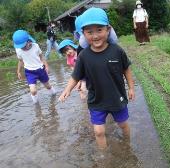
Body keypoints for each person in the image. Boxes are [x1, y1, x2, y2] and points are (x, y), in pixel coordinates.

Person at [59, 7, 135, 150]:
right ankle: (104, 157)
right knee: (98, 131)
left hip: (116, 98)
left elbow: (127, 70)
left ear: (108, 29)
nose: (95, 36)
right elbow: (76, 76)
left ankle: (127, 145)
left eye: (99, 30)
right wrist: (67, 89)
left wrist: (131, 88)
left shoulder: (117, 51)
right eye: (89, 32)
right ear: (83, 34)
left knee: (123, 125)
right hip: (96, 100)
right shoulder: (83, 56)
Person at [12, 30, 56, 104]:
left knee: (48, 86)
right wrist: (18, 71)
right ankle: (36, 106)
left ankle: (55, 96)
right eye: (20, 46)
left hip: (40, 69)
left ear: (28, 41)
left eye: (22, 46)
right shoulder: (18, 50)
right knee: (33, 90)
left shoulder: (35, 46)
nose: (21, 48)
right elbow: (20, 61)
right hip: (29, 72)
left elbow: (42, 57)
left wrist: (47, 66)